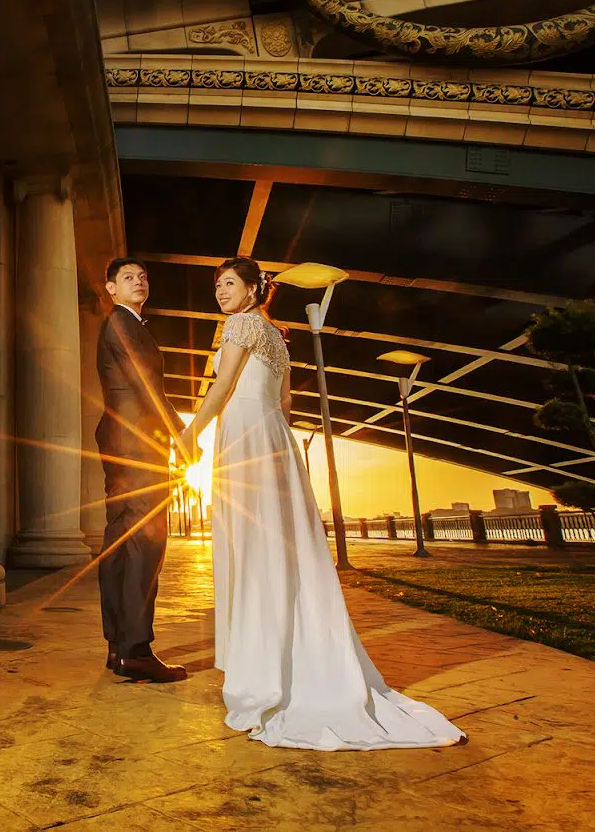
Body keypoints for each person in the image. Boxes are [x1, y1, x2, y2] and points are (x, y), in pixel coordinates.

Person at [186, 256, 466, 749]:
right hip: (271, 439)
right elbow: (286, 406)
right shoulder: (278, 339)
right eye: (217, 285)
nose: (221, 292)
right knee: (279, 550)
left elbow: (223, 387)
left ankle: (261, 675)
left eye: (229, 283)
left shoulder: (241, 325)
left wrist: (191, 433)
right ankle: (283, 660)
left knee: (253, 552)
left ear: (254, 290)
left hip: (243, 437)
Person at [94, 257, 197, 683]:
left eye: (143, 277)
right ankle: (135, 649)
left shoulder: (125, 324)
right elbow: (146, 384)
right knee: (145, 543)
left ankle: (119, 647)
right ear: (111, 288)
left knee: (122, 542)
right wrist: (181, 434)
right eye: (128, 278)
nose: (139, 282)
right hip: (137, 444)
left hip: (122, 441)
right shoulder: (123, 323)